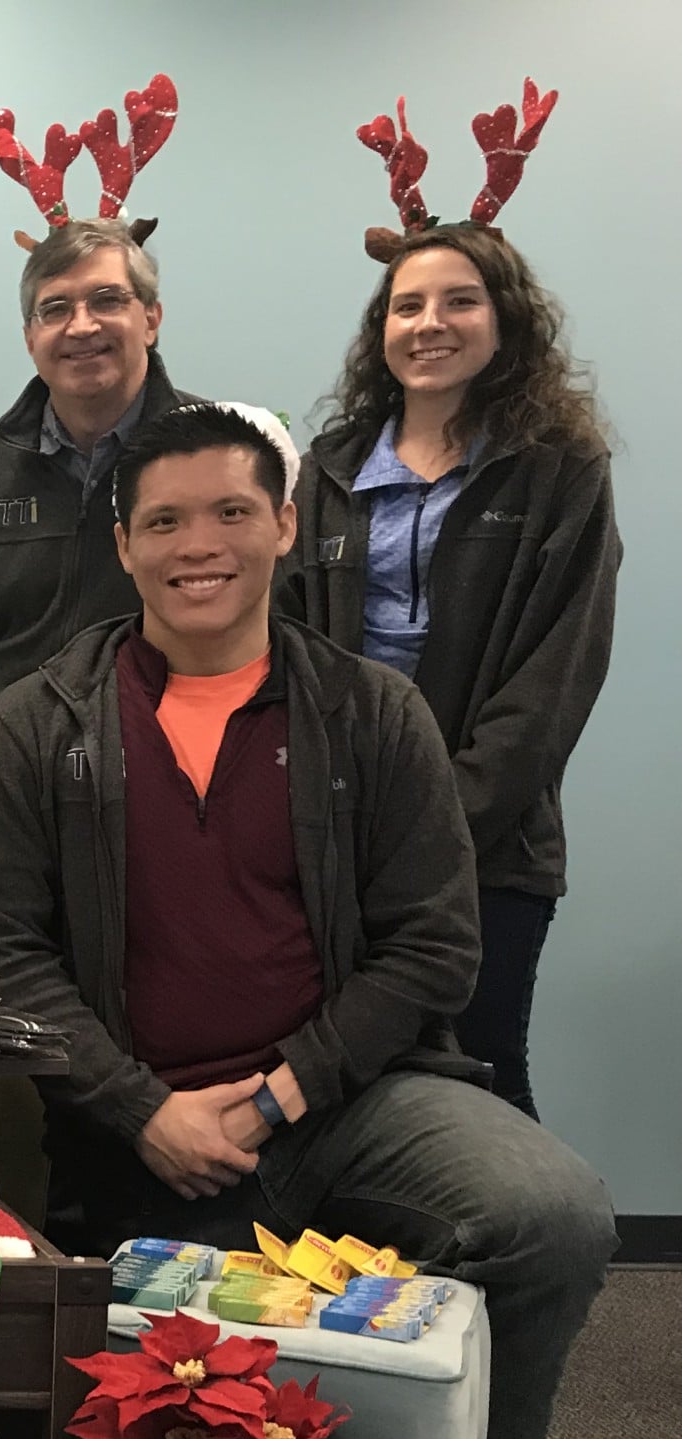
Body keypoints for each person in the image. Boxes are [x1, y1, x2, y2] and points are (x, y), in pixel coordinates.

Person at [0, 401, 614, 1439]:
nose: (196, 543)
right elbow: (2, 962)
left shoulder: (371, 713)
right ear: (122, 543)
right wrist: (141, 1109)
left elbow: (434, 947)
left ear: (285, 527)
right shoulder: (35, 726)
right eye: (163, 520)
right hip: (128, 1122)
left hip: (350, 1100)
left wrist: (286, 1090)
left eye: (229, 512)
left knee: (551, 1217)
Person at [279, 199, 617, 1120]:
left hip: (492, 847)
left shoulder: (559, 468)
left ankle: (522, 1261)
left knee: (481, 1067)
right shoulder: (330, 469)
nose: (429, 324)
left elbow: (556, 676)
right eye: (406, 306)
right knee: (345, 1081)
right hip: (340, 834)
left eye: (459, 301)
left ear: (504, 321)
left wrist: (436, 825)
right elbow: (292, 649)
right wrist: (337, 819)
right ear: (379, 330)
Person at [0, 209, 202, 758]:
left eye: (107, 300)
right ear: (30, 336)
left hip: (171, 769)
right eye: (55, 308)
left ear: (151, 319)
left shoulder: (211, 455)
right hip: (12, 776)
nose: (81, 326)